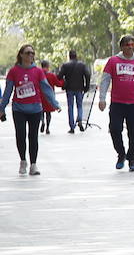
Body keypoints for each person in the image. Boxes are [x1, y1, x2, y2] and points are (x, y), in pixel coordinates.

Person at [1, 44, 61, 175]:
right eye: (28, 53)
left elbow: (46, 89)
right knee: (21, 136)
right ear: (21, 55)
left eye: (32, 53)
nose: (31, 55)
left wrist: (55, 104)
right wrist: (2, 108)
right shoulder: (13, 71)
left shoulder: (38, 71)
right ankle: (23, 161)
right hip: (19, 109)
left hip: (35, 108)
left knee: (33, 137)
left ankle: (33, 165)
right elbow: (7, 91)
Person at [98, 35, 134, 172]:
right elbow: (105, 80)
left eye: (132, 44)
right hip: (117, 103)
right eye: (127, 45)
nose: (130, 47)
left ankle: (132, 159)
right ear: (122, 47)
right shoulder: (113, 61)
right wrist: (102, 98)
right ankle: (121, 153)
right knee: (115, 129)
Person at [58, 50, 91, 132]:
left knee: (70, 107)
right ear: (76, 56)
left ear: (69, 56)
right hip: (79, 88)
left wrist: (64, 83)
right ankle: (79, 119)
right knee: (79, 106)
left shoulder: (65, 65)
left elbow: (59, 76)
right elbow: (87, 74)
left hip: (69, 89)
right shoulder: (82, 65)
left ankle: (72, 127)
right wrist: (86, 86)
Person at [38, 61, 63, 134]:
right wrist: (63, 81)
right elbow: (58, 84)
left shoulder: (38, 75)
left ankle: (42, 122)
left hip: (40, 96)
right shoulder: (51, 75)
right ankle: (47, 128)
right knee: (48, 113)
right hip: (49, 96)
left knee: (41, 111)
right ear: (48, 66)